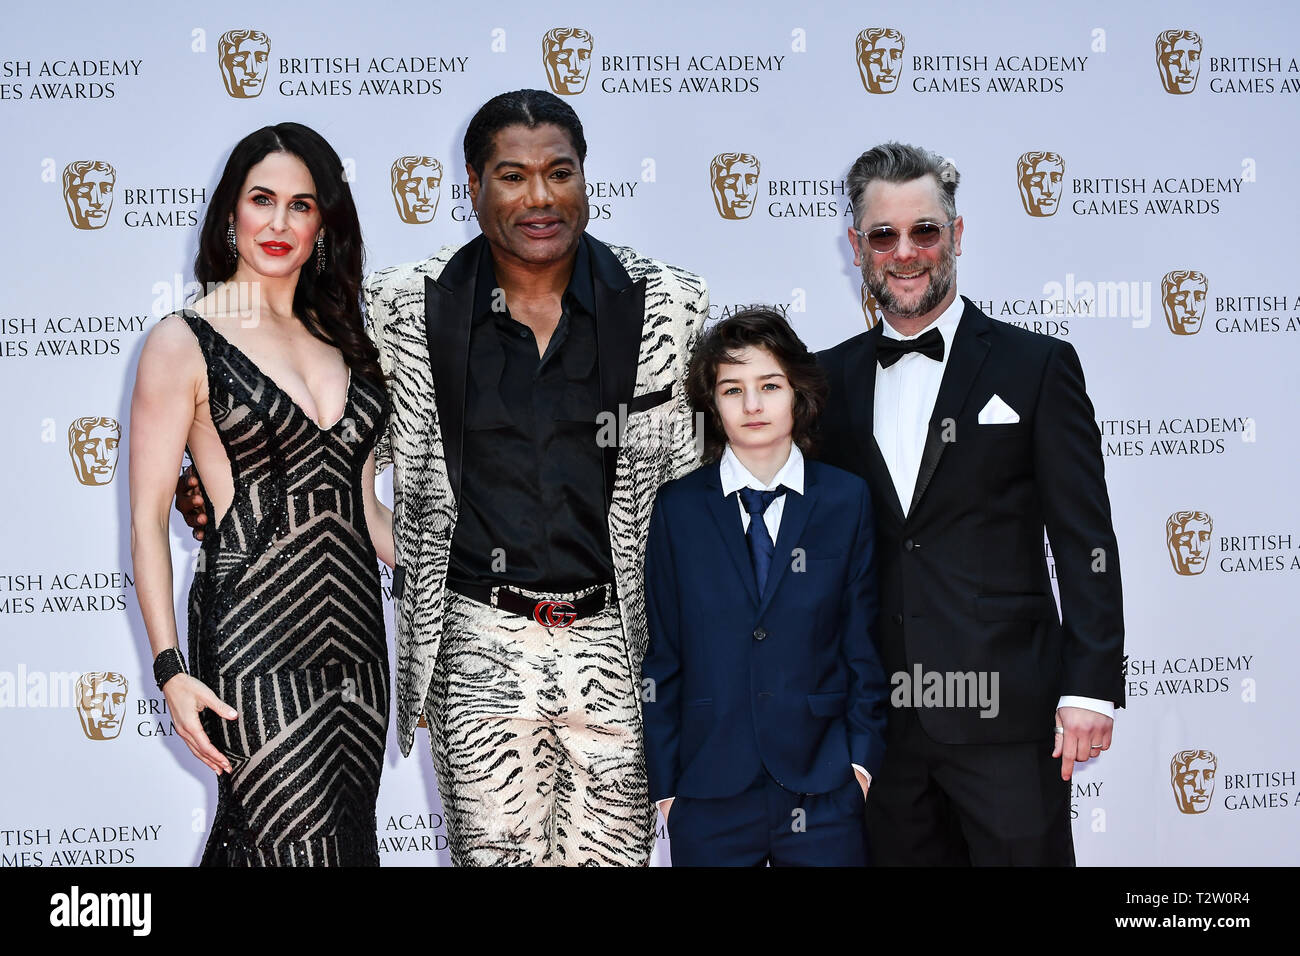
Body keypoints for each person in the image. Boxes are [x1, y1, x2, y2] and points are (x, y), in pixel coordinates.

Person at [179, 90, 705, 866]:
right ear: (473, 185)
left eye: (559, 173)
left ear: (586, 180)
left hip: (619, 651)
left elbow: (699, 498)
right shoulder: (401, 308)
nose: (539, 196)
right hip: (476, 645)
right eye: (512, 175)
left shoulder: (670, 300)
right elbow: (342, 450)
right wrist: (225, 480)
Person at [817, 142, 1125, 866]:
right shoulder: (824, 380)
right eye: (884, 235)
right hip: (881, 726)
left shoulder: (1036, 366)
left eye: (924, 230)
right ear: (857, 247)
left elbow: (1085, 538)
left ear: (956, 236)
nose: (905, 252)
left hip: (1009, 719)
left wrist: (1092, 687)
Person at [133, 123, 392, 866]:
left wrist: (479, 560)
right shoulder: (183, 340)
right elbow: (150, 522)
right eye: (262, 200)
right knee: (287, 843)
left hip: (357, 645)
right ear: (230, 213)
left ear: (323, 224)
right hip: (253, 637)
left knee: (343, 848)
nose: (279, 223)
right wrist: (170, 669)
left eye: (301, 206)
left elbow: (365, 511)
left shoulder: (345, 340)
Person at [642, 309, 887, 866]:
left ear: (797, 392)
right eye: (733, 389)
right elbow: (664, 656)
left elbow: (862, 646)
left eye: (769, 385)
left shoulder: (845, 500)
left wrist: (861, 764)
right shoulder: (678, 509)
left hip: (824, 784)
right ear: (713, 403)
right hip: (708, 790)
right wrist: (668, 787)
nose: (752, 405)